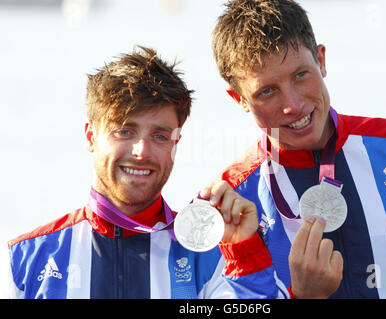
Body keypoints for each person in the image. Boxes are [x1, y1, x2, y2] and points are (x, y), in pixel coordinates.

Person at [0, 46, 283, 299]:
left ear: (176, 144)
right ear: (91, 137)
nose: (142, 151)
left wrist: (245, 252)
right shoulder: (24, 260)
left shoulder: (211, 259)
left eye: (159, 136)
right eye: (124, 131)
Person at [211, 0, 386, 298]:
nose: (293, 105)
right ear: (240, 100)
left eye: (301, 75)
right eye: (267, 91)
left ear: (321, 60)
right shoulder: (232, 202)